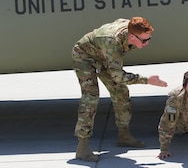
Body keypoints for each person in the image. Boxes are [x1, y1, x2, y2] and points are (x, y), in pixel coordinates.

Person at [72, 17, 168, 162]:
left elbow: (120, 21)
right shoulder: (113, 42)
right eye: (143, 41)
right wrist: (146, 80)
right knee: (90, 98)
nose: (146, 43)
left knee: (121, 93)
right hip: (84, 56)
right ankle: (82, 148)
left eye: (149, 39)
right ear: (131, 36)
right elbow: (118, 76)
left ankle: (124, 136)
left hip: (104, 56)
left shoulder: (131, 28)